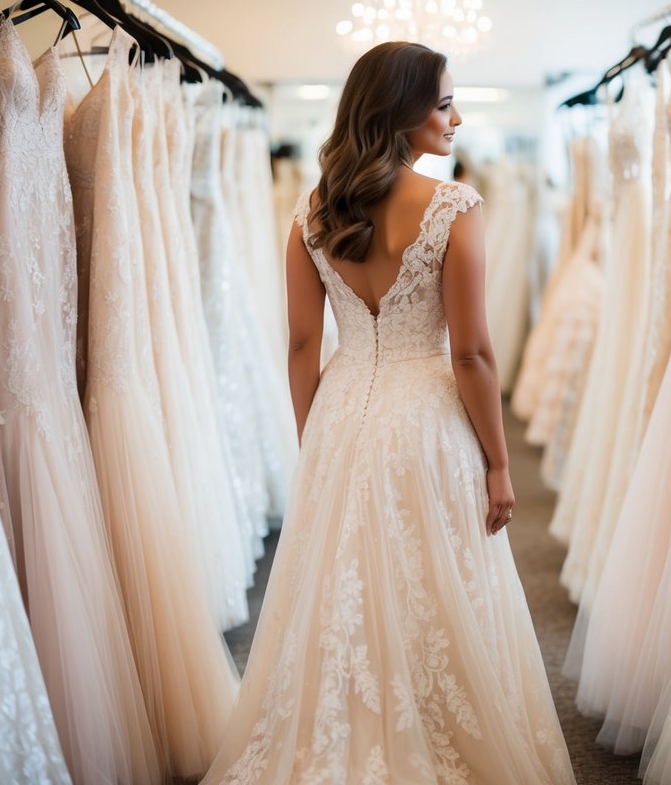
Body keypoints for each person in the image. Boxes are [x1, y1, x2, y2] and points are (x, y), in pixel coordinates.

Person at [201, 41, 574, 784]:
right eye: (443, 104)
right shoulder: (452, 208)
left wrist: (317, 439)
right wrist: (501, 464)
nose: (457, 118)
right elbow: (470, 355)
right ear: (401, 113)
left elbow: (303, 343)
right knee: (435, 577)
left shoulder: (313, 216)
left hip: (343, 407)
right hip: (426, 418)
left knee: (341, 582)